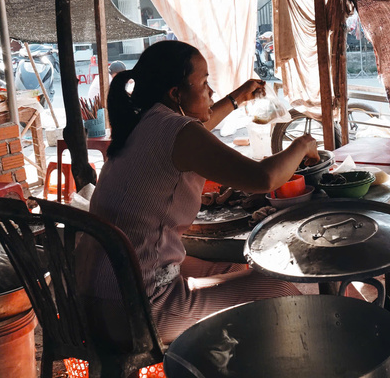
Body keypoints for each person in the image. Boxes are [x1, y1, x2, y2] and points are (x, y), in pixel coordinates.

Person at [75, 40, 319, 342]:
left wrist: (236, 98)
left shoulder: (145, 123)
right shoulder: (176, 131)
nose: (210, 91)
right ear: (176, 93)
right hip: (136, 309)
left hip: (96, 294)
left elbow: (195, 128)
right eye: (204, 83)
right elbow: (263, 178)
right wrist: (302, 145)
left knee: (235, 268)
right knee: (280, 287)